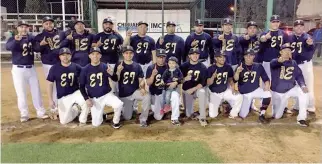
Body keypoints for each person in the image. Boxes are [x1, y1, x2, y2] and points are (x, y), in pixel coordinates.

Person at [6, 20, 48, 122]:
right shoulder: (13, 38)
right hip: (18, 69)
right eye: (21, 27)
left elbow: (36, 49)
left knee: (36, 90)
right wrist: (16, 40)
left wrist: (41, 44)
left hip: (31, 68)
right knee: (21, 92)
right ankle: (24, 113)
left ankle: (40, 111)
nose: (24, 29)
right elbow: (8, 47)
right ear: (17, 28)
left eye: (25, 27)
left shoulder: (31, 38)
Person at [79, 47, 124, 128]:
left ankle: (115, 122)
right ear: (89, 56)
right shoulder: (85, 69)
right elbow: (81, 87)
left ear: (100, 56)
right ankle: (102, 115)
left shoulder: (105, 66)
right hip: (94, 98)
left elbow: (115, 79)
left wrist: (112, 73)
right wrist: (86, 98)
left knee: (119, 104)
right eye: (93, 54)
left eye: (97, 54)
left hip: (107, 94)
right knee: (96, 124)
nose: (95, 56)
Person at [111, 46, 151, 127]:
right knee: (127, 117)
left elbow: (141, 79)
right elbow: (116, 80)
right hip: (124, 94)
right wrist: (118, 71)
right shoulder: (119, 64)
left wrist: (142, 88)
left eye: (130, 53)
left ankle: (143, 119)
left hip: (134, 92)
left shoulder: (137, 66)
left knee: (147, 96)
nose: (128, 55)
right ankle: (128, 108)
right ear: (123, 54)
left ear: (133, 54)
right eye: (126, 53)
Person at [47, 48, 89, 124]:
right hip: (63, 96)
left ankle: (82, 121)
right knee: (64, 121)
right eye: (63, 55)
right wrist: (50, 99)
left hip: (75, 92)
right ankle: (76, 109)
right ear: (59, 57)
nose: (65, 57)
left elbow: (86, 75)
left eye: (67, 55)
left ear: (71, 56)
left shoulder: (76, 67)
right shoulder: (54, 68)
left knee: (86, 101)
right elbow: (50, 84)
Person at [270, 45, 309, 127]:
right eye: (285, 50)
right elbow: (274, 64)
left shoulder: (293, 63)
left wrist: (302, 85)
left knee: (304, 92)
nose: (288, 52)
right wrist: (279, 61)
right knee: (277, 116)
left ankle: (301, 118)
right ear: (281, 52)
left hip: (290, 90)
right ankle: (282, 108)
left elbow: (299, 75)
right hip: (278, 93)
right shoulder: (274, 61)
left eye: (289, 50)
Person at [33, 16, 65, 118]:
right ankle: (53, 107)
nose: (49, 25)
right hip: (47, 63)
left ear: (53, 24)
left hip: (60, 62)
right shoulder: (40, 36)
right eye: (46, 23)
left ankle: (60, 107)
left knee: (60, 84)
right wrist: (41, 45)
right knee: (51, 84)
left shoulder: (61, 33)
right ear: (43, 25)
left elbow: (67, 41)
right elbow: (36, 49)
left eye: (50, 23)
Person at [234, 49, 271, 123]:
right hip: (245, 93)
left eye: (250, 55)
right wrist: (237, 72)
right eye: (246, 55)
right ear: (244, 57)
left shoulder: (258, 66)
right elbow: (235, 80)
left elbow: (265, 78)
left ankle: (262, 114)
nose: (248, 57)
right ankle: (241, 106)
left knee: (268, 94)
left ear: (254, 56)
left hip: (255, 90)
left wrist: (267, 84)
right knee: (243, 115)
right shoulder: (240, 66)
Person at [146, 49, 181, 125]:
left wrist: (176, 82)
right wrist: (152, 75)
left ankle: (174, 118)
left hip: (169, 91)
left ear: (165, 58)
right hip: (157, 94)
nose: (161, 59)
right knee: (158, 117)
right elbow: (148, 83)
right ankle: (164, 110)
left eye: (163, 57)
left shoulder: (171, 66)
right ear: (156, 57)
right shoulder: (151, 67)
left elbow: (180, 79)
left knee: (175, 95)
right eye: (159, 57)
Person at [290, 19, 316, 116]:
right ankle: (297, 106)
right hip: (295, 65)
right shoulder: (290, 37)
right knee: (296, 85)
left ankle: (310, 107)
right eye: (297, 26)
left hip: (305, 65)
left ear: (303, 27)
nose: (299, 27)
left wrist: (310, 45)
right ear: (294, 28)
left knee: (308, 85)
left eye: (301, 26)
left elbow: (311, 48)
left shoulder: (307, 37)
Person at [207, 50, 242, 119]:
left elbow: (230, 79)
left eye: (224, 57)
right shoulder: (210, 68)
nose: (223, 59)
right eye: (220, 57)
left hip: (225, 91)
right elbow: (208, 83)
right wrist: (212, 77)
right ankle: (221, 104)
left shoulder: (228, 67)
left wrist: (233, 89)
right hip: (215, 93)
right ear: (216, 58)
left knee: (239, 97)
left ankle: (233, 114)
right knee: (213, 115)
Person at [92, 18, 123, 93]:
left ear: (112, 25)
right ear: (103, 25)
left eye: (110, 24)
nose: (108, 26)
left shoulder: (117, 35)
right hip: (102, 61)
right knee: (102, 79)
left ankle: (114, 95)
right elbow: (92, 47)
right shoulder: (98, 35)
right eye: (106, 24)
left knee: (114, 80)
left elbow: (122, 46)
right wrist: (97, 45)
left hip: (114, 60)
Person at [180, 48, 208, 127]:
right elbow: (178, 81)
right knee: (188, 114)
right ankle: (193, 113)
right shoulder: (183, 66)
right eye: (193, 54)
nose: (195, 56)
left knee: (202, 92)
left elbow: (203, 83)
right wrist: (184, 79)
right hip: (187, 91)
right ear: (189, 56)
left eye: (197, 54)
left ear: (199, 55)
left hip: (197, 89)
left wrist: (193, 89)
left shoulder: (203, 67)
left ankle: (202, 117)